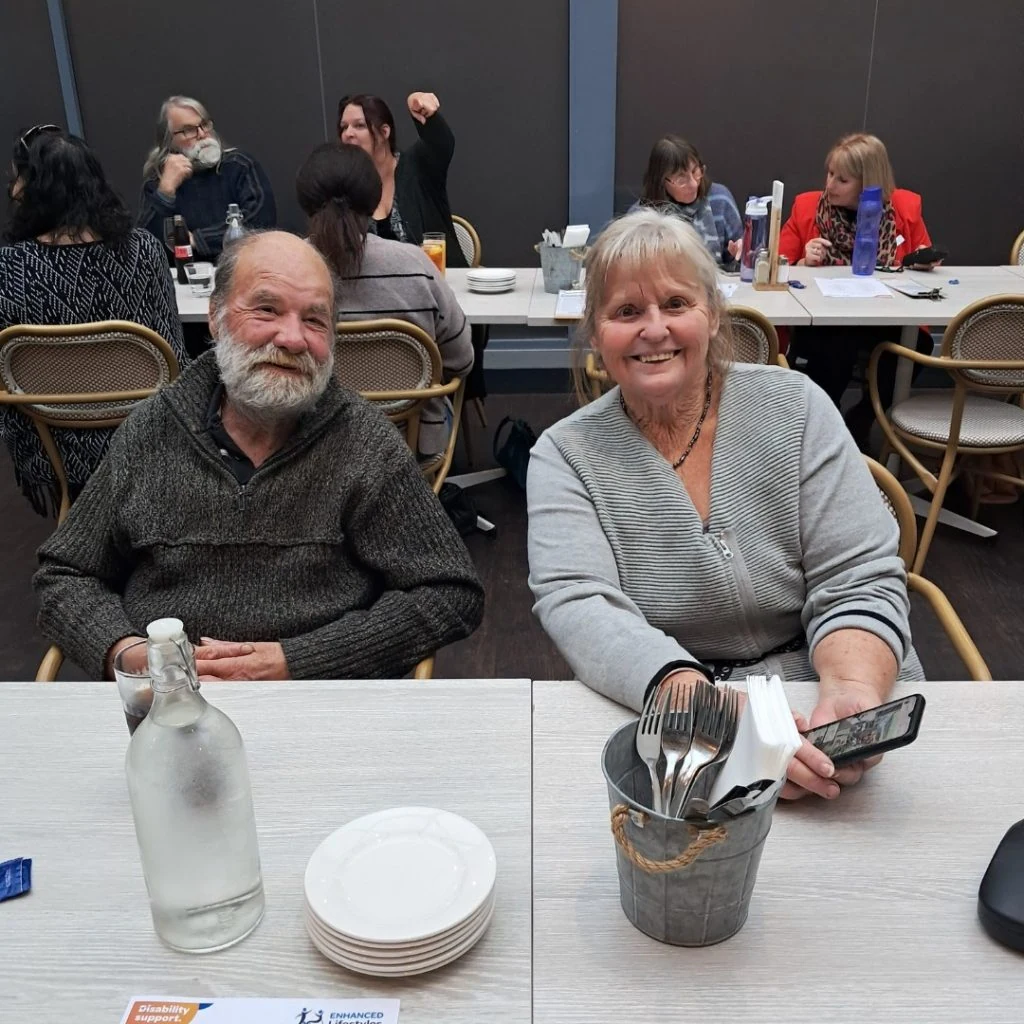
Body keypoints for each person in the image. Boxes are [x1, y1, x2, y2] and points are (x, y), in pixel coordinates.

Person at [527, 209, 924, 802]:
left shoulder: (795, 407)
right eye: (626, 312)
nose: (653, 329)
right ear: (595, 333)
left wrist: (849, 695)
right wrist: (708, 708)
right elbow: (583, 607)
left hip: (819, 684)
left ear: (713, 315)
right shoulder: (563, 455)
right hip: (673, 713)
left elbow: (857, 575)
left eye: (677, 304)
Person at [34, 231, 484, 682]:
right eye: (267, 309)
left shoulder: (363, 444)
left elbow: (450, 591)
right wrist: (127, 651)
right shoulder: (153, 431)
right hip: (167, 706)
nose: (292, 339)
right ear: (215, 316)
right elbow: (64, 574)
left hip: (318, 706)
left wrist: (301, 661)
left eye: (315, 320)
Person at [0, 125, 187, 518]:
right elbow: (173, 352)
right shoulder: (144, 250)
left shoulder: (9, 268)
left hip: (57, 441)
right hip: (146, 434)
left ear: (31, 191)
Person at [296, 142, 473, 456]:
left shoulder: (286, 267)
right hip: (410, 444)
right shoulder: (416, 265)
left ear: (306, 201)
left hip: (313, 446)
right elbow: (462, 359)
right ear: (373, 197)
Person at [778, 133, 936, 444]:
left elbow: (923, 257)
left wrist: (923, 264)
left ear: (868, 184)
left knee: (918, 343)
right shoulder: (808, 207)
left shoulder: (905, 208)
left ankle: (865, 416)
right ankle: (823, 428)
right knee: (835, 343)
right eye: (830, 174)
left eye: (843, 180)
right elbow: (778, 264)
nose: (830, 185)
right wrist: (801, 261)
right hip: (827, 319)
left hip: (886, 316)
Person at [138, 96, 276, 259]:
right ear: (169, 141)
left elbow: (261, 221)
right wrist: (166, 192)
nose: (202, 134)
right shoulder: (158, 182)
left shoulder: (239, 165)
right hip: (181, 276)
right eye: (189, 130)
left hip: (238, 269)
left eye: (204, 124)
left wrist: (198, 239)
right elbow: (145, 244)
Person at [337, 91, 465, 267]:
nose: (348, 134)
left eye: (359, 125)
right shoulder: (348, 187)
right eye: (344, 127)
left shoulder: (417, 165)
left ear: (384, 132)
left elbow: (442, 142)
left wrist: (425, 112)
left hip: (439, 284)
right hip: (382, 291)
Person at [631, 135, 742, 269]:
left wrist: (737, 253)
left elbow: (738, 259)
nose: (694, 184)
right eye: (681, 179)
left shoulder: (720, 199)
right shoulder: (640, 217)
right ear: (661, 182)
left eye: (696, 172)